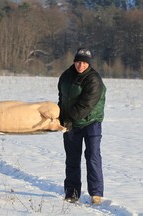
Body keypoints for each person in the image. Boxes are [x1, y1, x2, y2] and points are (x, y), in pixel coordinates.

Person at [57, 48, 106, 205]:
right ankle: (72, 193)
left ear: (89, 64)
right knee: (72, 158)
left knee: (92, 156)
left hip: (91, 122)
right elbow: (62, 97)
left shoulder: (94, 79)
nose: (80, 65)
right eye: (78, 62)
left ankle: (96, 194)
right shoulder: (66, 76)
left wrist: (67, 118)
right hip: (71, 122)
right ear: (74, 62)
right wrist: (59, 115)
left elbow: (86, 105)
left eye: (84, 63)